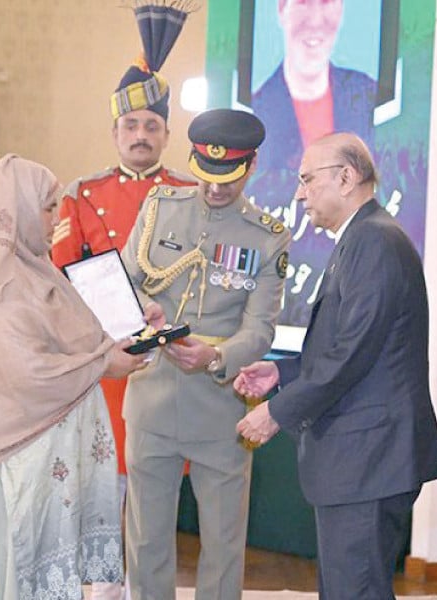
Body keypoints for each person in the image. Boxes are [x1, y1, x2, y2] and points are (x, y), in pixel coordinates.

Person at [0, 154, 148, 599]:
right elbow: (22, 369)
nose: (55, 218)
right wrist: (103, 363)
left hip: (34, 457)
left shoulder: (31, 267)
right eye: (46, 207)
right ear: (15, 207)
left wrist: (126, 331)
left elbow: (70, 335)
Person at [235, 133, 437, 599]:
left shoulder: (374, 241)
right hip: (364, 458)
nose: (298, 193)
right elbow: (352, 346)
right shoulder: (366, 236)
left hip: (369, 459)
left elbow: (353, 352)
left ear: (346, 177)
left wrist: (276, 411)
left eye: (308, 179)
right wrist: (282, 373)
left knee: (357, 591)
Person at [51, 6, 195, 596]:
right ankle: (103, 592)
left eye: (151, 126)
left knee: (155, 497)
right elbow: (61, 277)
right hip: (106, 367)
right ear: (115, 133)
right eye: (130, 124)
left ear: (167, 133)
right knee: (102, 493)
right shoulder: (84, 194)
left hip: (170, 370)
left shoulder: (191, 195)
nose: (141, 134)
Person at [120, 108, 291, 600]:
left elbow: (260, 328)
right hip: (151, 398)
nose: (215, 188)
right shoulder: (159, 206)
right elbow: (128, 279)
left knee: (221, 544)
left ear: (251, 165)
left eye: (228, 179)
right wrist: (145, 308)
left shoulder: (268, 235)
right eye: (206, 175)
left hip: (220, 409)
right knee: (147, 539)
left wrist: (215, 359)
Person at [248, 0, 378, 329]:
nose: (317, 20)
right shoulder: (257, 105)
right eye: (304, 3)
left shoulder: (367, 94)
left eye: (328, 3)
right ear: (281, 10)